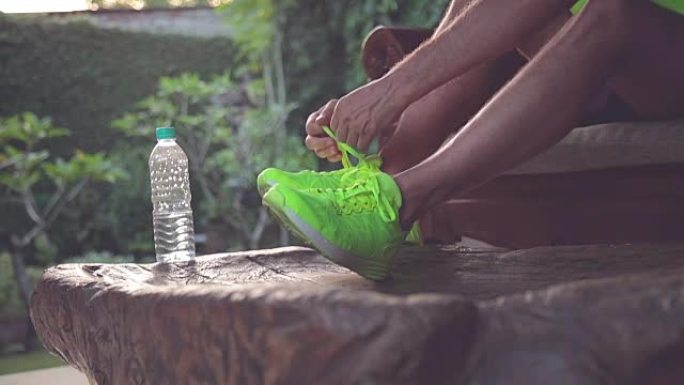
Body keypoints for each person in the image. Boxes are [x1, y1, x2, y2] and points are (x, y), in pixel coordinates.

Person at [258, 0, 684, 280]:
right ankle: (384, 184)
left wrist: (389, 92)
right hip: (619, 65)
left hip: (648, 44)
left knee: (614, 13)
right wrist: (379, 100)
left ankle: (402, 200)